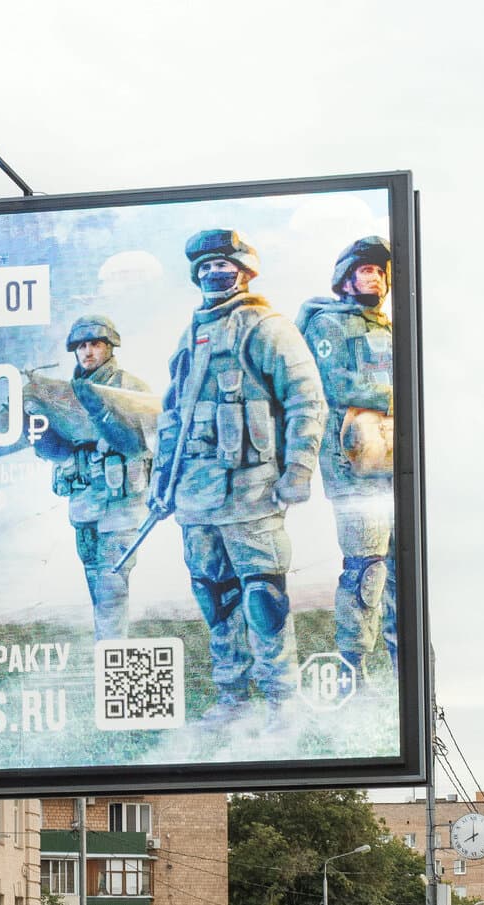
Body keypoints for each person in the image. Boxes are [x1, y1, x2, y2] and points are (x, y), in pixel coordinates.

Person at [152, 227, 327, 729]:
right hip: (195, 496)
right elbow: (173, 420)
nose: (212, 274)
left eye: (221, 265)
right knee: (213, 594)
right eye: (204, 268)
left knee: (262, 597)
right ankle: (233, 695)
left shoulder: (266, 327)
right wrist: (161, 485)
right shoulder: (191, 334)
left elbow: (306, 399)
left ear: (245, 269)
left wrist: (297, 469)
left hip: (252, 491)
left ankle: (281, 701)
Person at [18, 316, 157, 640]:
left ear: (109, 346)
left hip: (121, 504)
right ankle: (107, 649)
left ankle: (110, 653)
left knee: (111, 583)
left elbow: (143, 444)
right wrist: (30, 414)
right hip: (83, 504)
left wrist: (103, 414)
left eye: (95, 343)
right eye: (81, 345)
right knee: (96, 580)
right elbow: (51, 446)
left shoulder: (130, 388)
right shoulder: (62, 394)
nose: (88, 351)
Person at [297, 237, 396, 684]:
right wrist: (400, 396)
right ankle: (354, 672)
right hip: (352, 470)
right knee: (366, 570)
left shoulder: (389, 327)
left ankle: (401, 672)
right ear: (346, 279)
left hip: (393, 466)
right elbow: (336, 384)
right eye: (364, 270)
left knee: (399, 575)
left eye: (378, 270)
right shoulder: (328, 325)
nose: (373, 277)